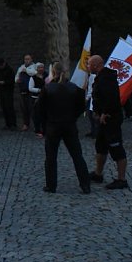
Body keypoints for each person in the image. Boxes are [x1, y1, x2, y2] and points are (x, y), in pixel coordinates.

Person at [37, 62, 91, 194]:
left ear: (53, 72)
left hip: (53, 125)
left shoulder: (48, 89)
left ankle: (51, 185)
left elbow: (39, 109)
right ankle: (85, 185)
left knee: (51, 157)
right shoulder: (73, 88)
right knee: (77, 156)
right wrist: (72, 117)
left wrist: (43, 124)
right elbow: (80, 106)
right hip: (69, 125)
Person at [87, 55, 129, 190]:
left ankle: (122, 179)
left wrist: (104, 112)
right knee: (100, 146)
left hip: (111, 118)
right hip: (103, 118)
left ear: (96, 64)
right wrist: (97, 112)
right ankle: (98, 174)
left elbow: (110, 97)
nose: (87, 67)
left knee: (116, 147)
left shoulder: (107, 78)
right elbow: (99, 96)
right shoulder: (100, 77)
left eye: (89, 64)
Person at [15, 54, 37, 131]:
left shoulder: (34, 66)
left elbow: (34, 73)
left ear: (31, 59)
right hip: (22, 91)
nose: (26, 60)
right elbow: (17, 76)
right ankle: (26, 124)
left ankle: (36, 125)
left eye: (28, 59)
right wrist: (17, 80)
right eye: (25, 59)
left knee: (32, 109)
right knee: (24, 109)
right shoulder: (21, 67)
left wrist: (26, 70)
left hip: (31, 91)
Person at [0, 59, 17, 130]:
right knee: (4, 107)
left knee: (9, 107)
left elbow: (12, 81)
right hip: (2, 91)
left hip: (8, 91)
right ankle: (7, 124)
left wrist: (4, 82)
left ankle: (13, 124)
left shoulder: (10, 70)